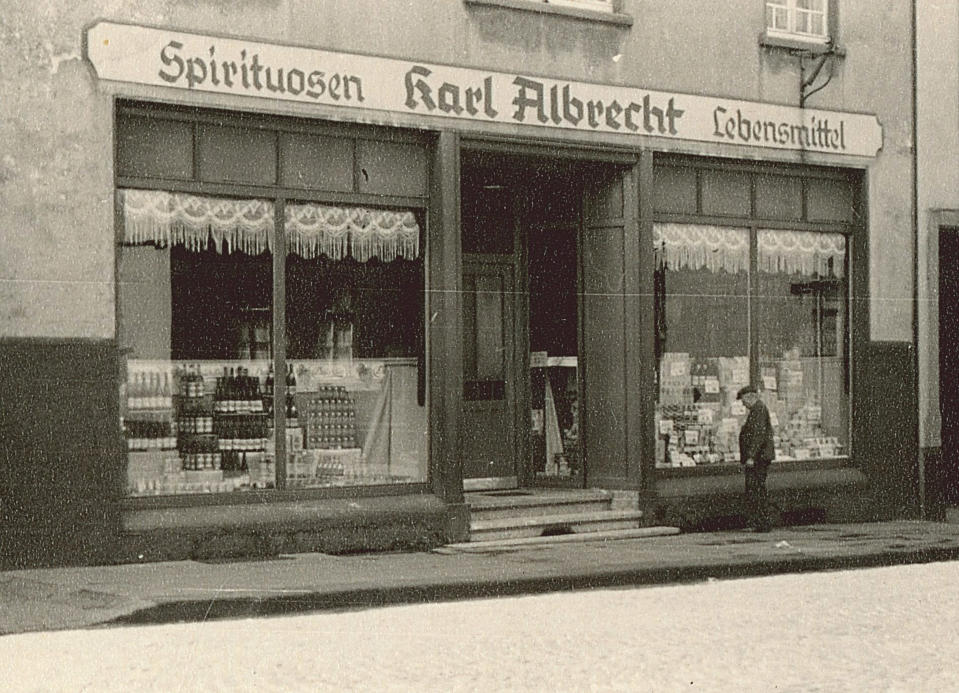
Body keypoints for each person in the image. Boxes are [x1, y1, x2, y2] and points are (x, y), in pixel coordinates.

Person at [737, 385, 775, 532]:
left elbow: (758, 434)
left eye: (743, 401)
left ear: (750, 397)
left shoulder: (758, 409)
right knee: (755, 489)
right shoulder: (757, 409)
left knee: (756, 489)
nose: (743, 404)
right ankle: (758, 522)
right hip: (759, 457)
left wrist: (751, 456)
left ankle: (761, 523)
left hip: (758, 458)